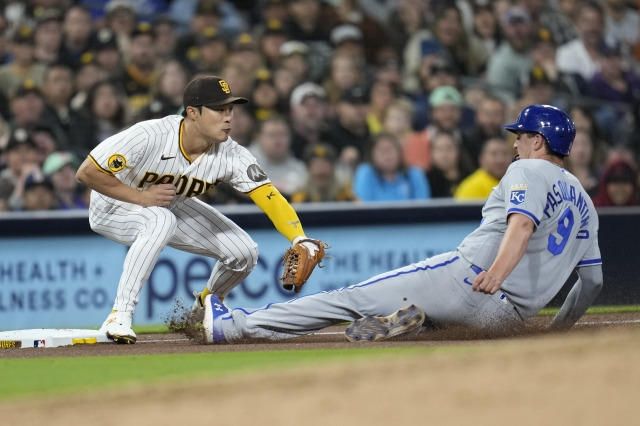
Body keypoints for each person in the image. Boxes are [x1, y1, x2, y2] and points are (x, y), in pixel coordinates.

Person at [201, 104, 603, 343]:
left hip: (470, 280)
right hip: (506, 319)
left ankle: (233, 326)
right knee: (440, 332)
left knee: (344, 299)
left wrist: (497, 273)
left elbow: (521, 226)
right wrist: (557, 333)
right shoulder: (586, 203)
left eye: (520, 135)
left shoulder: (528, 170)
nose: (514, 143)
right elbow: (593, 283)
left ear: (538, 140)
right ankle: (420, 323)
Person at [76, 75, 323, 344]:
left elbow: (269, 195)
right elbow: (87, 173)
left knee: (244, 254)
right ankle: (119, 315)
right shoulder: (151, 135)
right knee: (161, 220)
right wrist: (140, 197)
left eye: (230, 109)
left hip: (167, 203)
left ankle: (204, 310)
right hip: (112, 205)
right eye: (219, 110)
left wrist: (298, 237)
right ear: (193, 113)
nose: (228, 117)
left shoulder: (232, 154)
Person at [352, 132, 431, 202]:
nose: (387, 155)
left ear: (399, 152)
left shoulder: (415, 174)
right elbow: (363, 208)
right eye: (382, 151)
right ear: (372, 156)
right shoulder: (366, 172)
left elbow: (422, 208)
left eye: (390, 149)